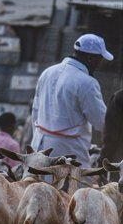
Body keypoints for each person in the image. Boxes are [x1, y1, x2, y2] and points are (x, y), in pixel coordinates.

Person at [30, 33, 111, 164]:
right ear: (91, 58)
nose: (100, 63)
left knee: (34, 183)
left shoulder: (47, 72)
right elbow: (102, 122)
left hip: (38, 145)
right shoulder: (87, 83)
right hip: (68, 151)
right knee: (81, 183)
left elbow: (35, 112)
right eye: (100, 58)